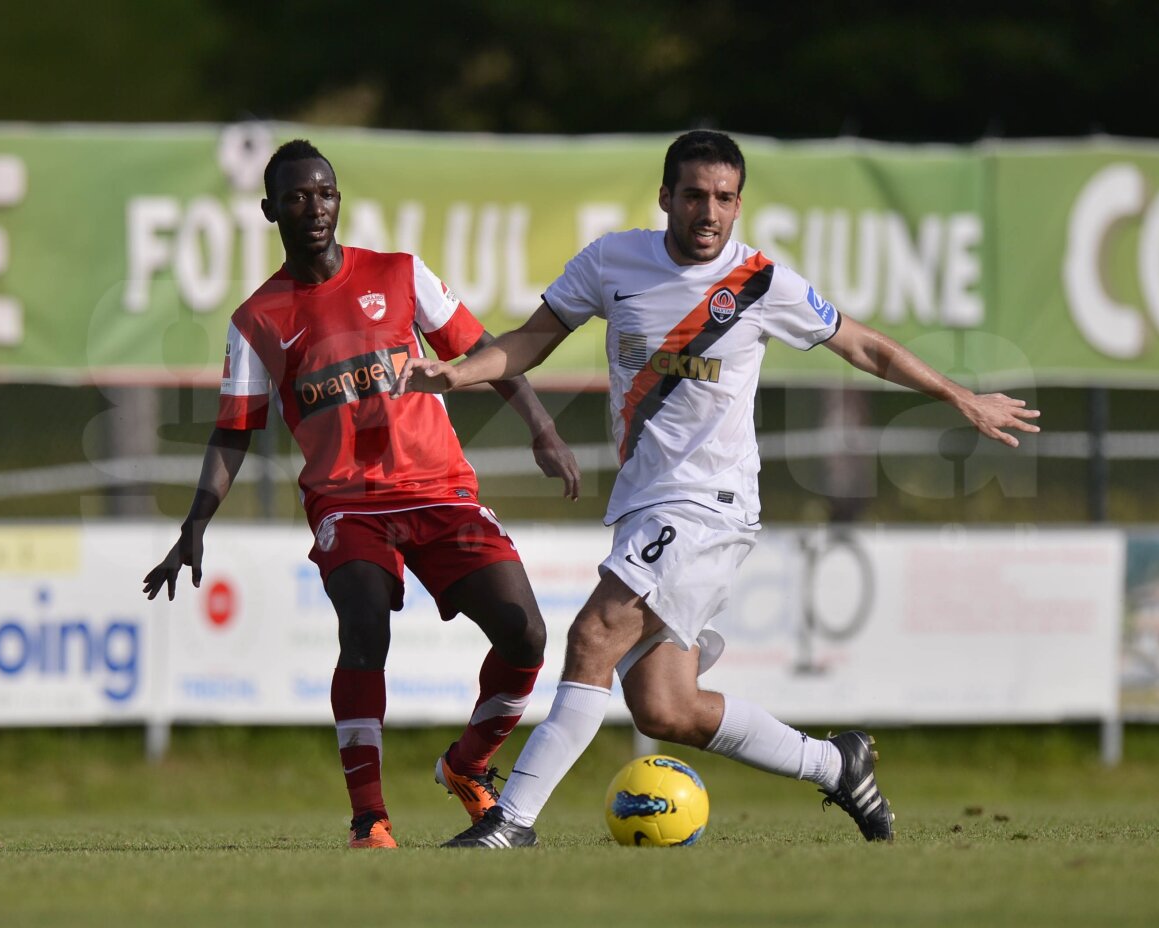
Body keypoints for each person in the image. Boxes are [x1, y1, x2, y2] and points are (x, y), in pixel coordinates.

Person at [391, 129, 1041, 847]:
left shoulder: (760, 283)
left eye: (725, 198)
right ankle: (836, 764)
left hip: (709, 505)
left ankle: (510, 821)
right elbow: (532, 338)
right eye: (696, 195)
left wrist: (959, 396)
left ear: (739, 204)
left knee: (594, 634)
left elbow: (863, 345)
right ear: (665, 197)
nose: (710, 212)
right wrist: (458, 373)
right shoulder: (612, 261)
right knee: (665, 708)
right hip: (645, 504)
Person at [142, 139, 580, 850]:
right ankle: (369, 819)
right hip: (348, 505)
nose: (314, 208)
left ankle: (468, 764)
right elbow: (233, 431)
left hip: (441, 492)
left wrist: (543, 427)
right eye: (297, 197)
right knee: (364, 626)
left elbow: (482, 350)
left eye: (325, 193)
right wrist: (195, 523)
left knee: (525, 633)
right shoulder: (257, 319)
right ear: (270, 211)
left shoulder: (400, 274)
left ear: (339, 200)